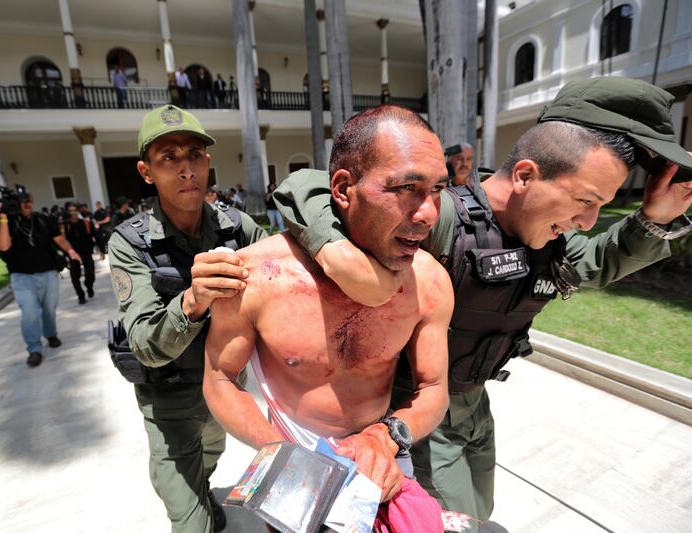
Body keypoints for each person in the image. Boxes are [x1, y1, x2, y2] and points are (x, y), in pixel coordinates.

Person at [273, 77, 692, 528]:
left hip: (475, 406)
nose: (588, 222)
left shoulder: (548, 242)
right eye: (584, 201)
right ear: (526, 175)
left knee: (481, 512)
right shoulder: (440, 220)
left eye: (600, 206)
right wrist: (336, 252)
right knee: (454, 521)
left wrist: (653, 219)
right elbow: (309, 184)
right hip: (415, 416)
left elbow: (598, 261)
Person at [203, 106, 453, 515]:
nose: (428, 214)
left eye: (437, 190)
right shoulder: (257, 275)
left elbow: (433, 389)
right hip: (289, 447)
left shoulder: (428, 282)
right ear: (342, 189)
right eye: (407, 187)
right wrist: (277, 450)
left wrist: (384, 438)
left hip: (381, 453)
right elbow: (219, 379)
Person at [107, 104, 266, 532]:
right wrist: (193, 300)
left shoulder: (237, 226)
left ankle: (204, 491)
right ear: (146, 172)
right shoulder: (130, 243)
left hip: (224, 391)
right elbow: (144, 344)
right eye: (168, 158)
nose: (185, 169)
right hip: (170, 402)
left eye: (194, 155)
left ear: (208, 164)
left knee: (211, 456)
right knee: (190, 523)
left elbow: (286, 271)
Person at [0, 191, 81, 367]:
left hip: (48, 272)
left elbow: (59, 239)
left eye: (30, 202)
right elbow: (3, 245)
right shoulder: (6, 222)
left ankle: (50, 334)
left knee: (49, 309)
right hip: (21, 277)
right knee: (30, 312)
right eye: (23, 202)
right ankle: (34, 349)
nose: (27, 205)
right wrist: (3, 215)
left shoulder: (43, 219)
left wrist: (72, 252)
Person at [63, 203, 98, 305]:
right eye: (70, 210)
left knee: (90, 274)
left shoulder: (86, 223)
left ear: (77, 211)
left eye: (74, 210)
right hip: (73, 255)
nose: (73, 212)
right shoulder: (65, 225)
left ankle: (89, 286)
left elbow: (96, 235)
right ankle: (81, 296)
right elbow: (62, 240)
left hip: (86, 253)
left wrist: (101, 249)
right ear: (67, 212)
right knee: (75, 278)